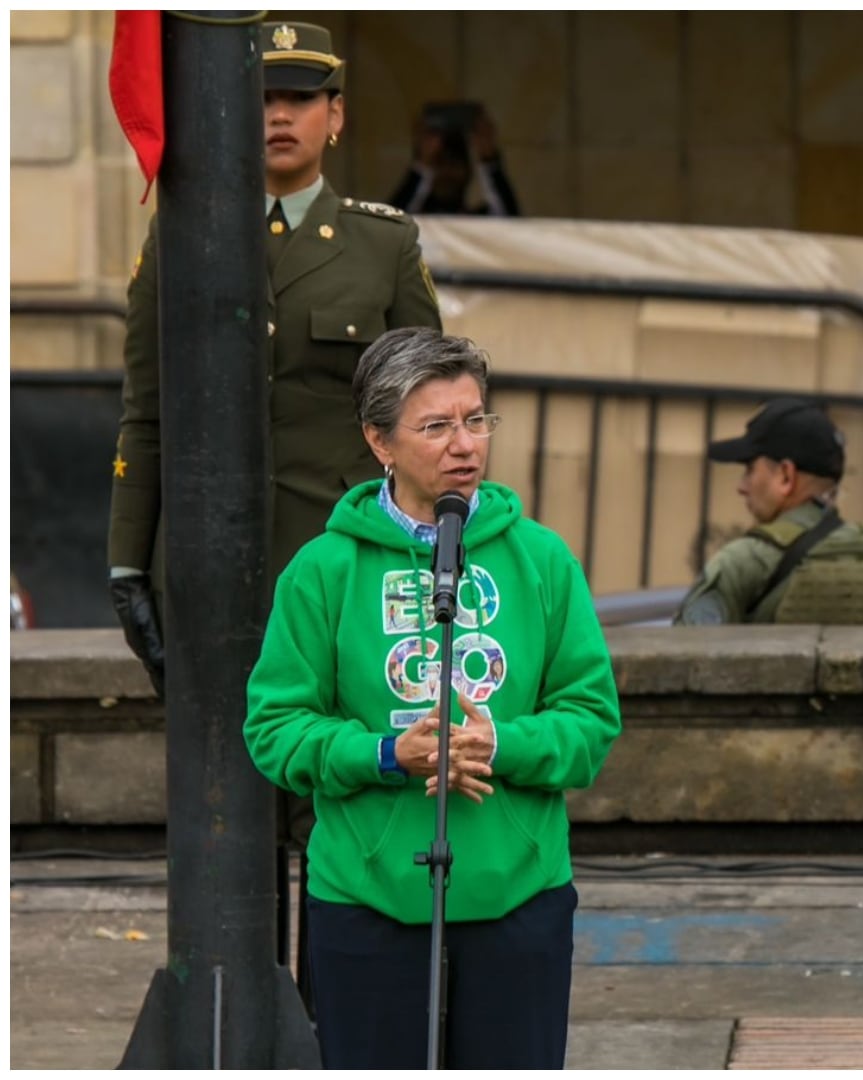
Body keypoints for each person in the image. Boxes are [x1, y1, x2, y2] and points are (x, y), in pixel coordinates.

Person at [244, 327, 619, 1068]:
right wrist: (386, 753)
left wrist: (501, 744)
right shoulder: (324, 571)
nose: (465, 444)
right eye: (438, 426)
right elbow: (275, 729)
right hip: (367, 899)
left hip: (520, 897)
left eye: (476, 419)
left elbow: (592, 718)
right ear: (379, 442)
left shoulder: (541, 559)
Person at [108, 19, 442, 697]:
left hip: (346, 557)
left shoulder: (383, 245)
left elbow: (432, 417)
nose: (280, 115)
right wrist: (127, 565)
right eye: (259, 98)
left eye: (301, 98)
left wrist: (440, 549)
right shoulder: (179, 237)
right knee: (217, 785)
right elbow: (147, 414)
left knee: (331, 777)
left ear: (336, 113)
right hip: (205, 571)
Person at [673, 398, 863, 626]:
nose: (741, 487)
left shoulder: (742, 563)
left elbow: (685, 663)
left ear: (785, 476)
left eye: (749, 470)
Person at [388, 104, 521, 216]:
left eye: (455, 164)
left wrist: (488, 158)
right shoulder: (414, 220)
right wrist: (421, 165)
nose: (447, 172)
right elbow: (391, 225)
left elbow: (510, 221)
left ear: (468, 171)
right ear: (430, 170)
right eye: (440, 163)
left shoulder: (479, 223)